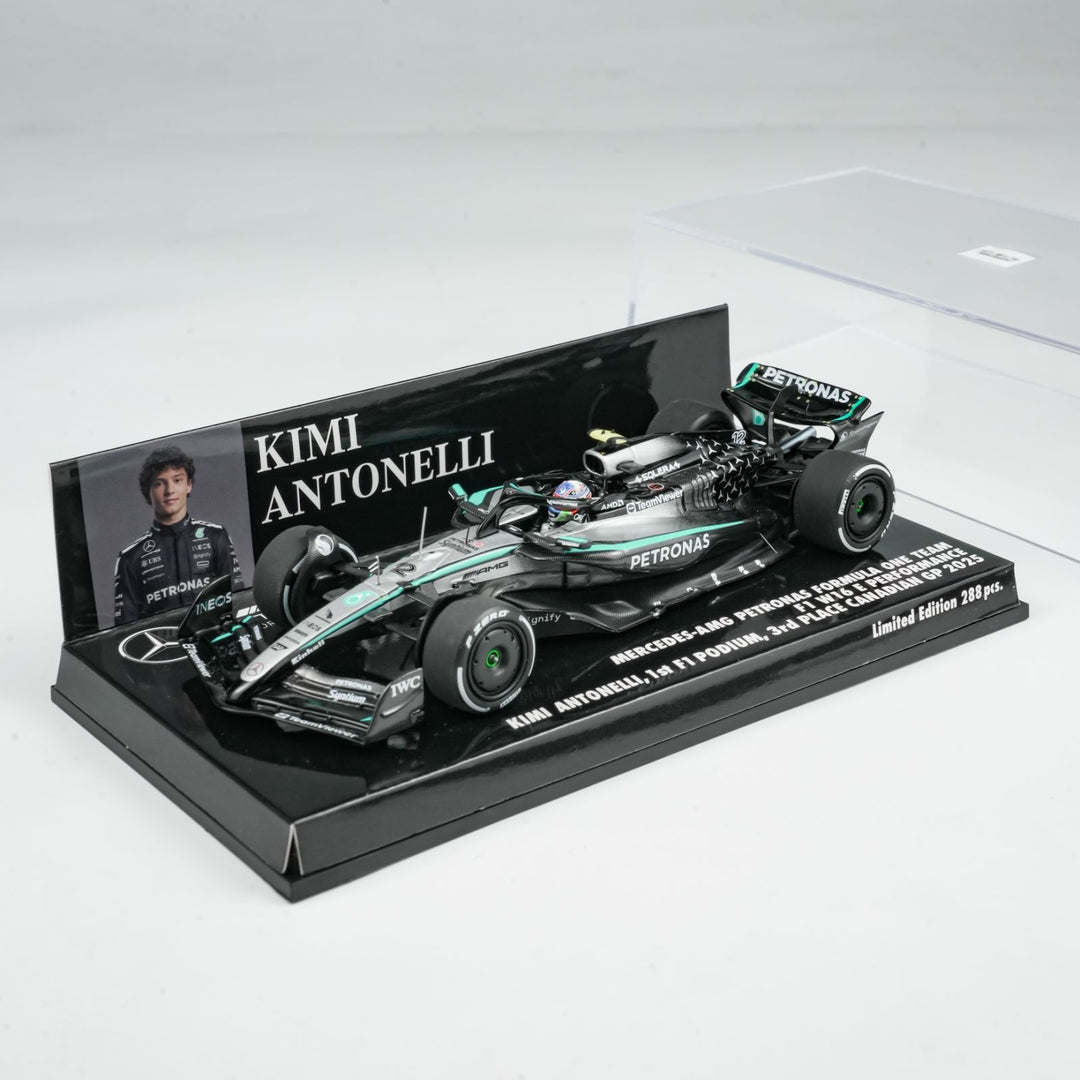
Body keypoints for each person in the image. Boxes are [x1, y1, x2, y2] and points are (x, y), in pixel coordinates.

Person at [113, 446, 243, 624]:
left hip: (214, 637)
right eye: (159, 483)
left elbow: (238, 602)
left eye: (177, 480)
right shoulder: (130, 558)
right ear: (148, 492)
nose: (170, 490)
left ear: (189, 485)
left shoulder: (216, 536)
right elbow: (125, 628)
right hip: (161, 642)